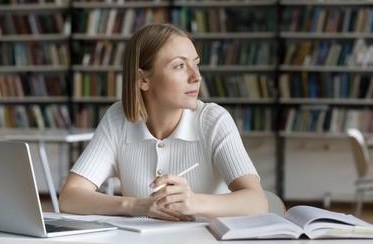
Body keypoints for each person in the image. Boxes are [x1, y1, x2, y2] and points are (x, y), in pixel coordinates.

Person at [59, 23, 268, 221]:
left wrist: (194, 202)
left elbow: (257, 202)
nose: (196, 76)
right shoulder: (118, 119)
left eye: (196, 64)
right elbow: (70, 197)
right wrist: (137, 206)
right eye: (179, 66)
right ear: (143, 80)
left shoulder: (214, 120)